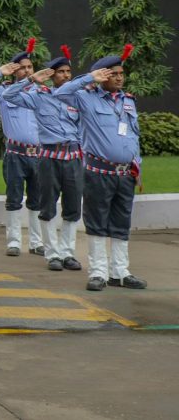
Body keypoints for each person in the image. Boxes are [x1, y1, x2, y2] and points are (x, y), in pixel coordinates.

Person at [53, 45, 146, 291]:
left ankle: (120, 272)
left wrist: (138, 167)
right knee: (96, 223)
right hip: (99, 173)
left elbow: (133, 137)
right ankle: (98, 273)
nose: (118, 77)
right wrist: (89, 79)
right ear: (101, 76)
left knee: (121, 223)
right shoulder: (85, 97)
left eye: (120, 74)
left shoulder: (128, 100)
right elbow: (60, 93)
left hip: (126, 173)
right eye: (112, 73)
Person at [3, 46, 83, 272]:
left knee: (72, 206)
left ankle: (68, 252)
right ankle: (52, 253)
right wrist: (32, 79)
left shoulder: (79, 97)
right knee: (47, 205)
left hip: (73, 156)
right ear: (51, 75)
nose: (66, 76)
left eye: (68, 72)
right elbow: (8, 95)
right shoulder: (39, 96)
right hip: (49, 157)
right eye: (61, 72)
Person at [0, 39, 44, 257]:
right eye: (22, 67)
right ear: (13, 70)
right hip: (15, 153)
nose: (27, 70)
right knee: (14, 197)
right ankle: (13, 241)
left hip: (39, 154)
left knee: (37, 199)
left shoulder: (41, 92)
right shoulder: (4, 91)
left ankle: (36, 241)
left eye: (30, 67)